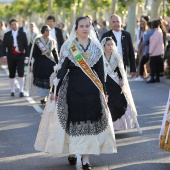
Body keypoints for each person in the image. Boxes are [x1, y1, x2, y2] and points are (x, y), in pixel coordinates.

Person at [34, 17, 117, 170]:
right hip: (72, 89)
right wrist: (55, 90)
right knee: (72, 122)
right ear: (76, 28)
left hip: (92, 91)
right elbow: (62, 70)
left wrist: (104, 91)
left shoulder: (97, 48)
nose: (85, 28)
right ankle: (72, 151)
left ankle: (85, 159)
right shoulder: (68, 46)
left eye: (87, 26)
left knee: (89, 123)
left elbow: (100, 71)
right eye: (82, 26)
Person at [101, 37, 141, 132]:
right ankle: (107, 126)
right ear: (104, 46)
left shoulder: (116, 56)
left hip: (115, 83)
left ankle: (117, 126)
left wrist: (122, 79)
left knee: (118, 102)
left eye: (112, 44)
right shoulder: (100, 57)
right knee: (106, 103)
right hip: (105, 83)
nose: (110, 46)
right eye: (108, 44)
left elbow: (120, 71)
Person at [26, 25, 58, 104]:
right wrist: (31, 63)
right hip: (40, 62)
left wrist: (58, 62)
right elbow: (34, 53)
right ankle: (42, 97)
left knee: (48, 80)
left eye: (49, 30)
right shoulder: (38, 40)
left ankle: (46, 96)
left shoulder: (52, 41)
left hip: (49, 63)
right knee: (41, 80)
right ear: (43, 31)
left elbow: (55, 53)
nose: (48, 32)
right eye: (47, 30)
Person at [2, 19, 28, 97]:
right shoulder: (7, 34)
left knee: (21, 72)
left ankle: (21, 90)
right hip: (11, 55)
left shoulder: (23, 34)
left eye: (15, 24)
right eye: (12, 24)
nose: (14, 25)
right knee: (12, 73)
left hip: (20, 55)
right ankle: (12, 90)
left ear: (17, 24)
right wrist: (4, 55)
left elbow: (26, 46)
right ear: (10, 26)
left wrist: (27, 56)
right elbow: (3, 46)